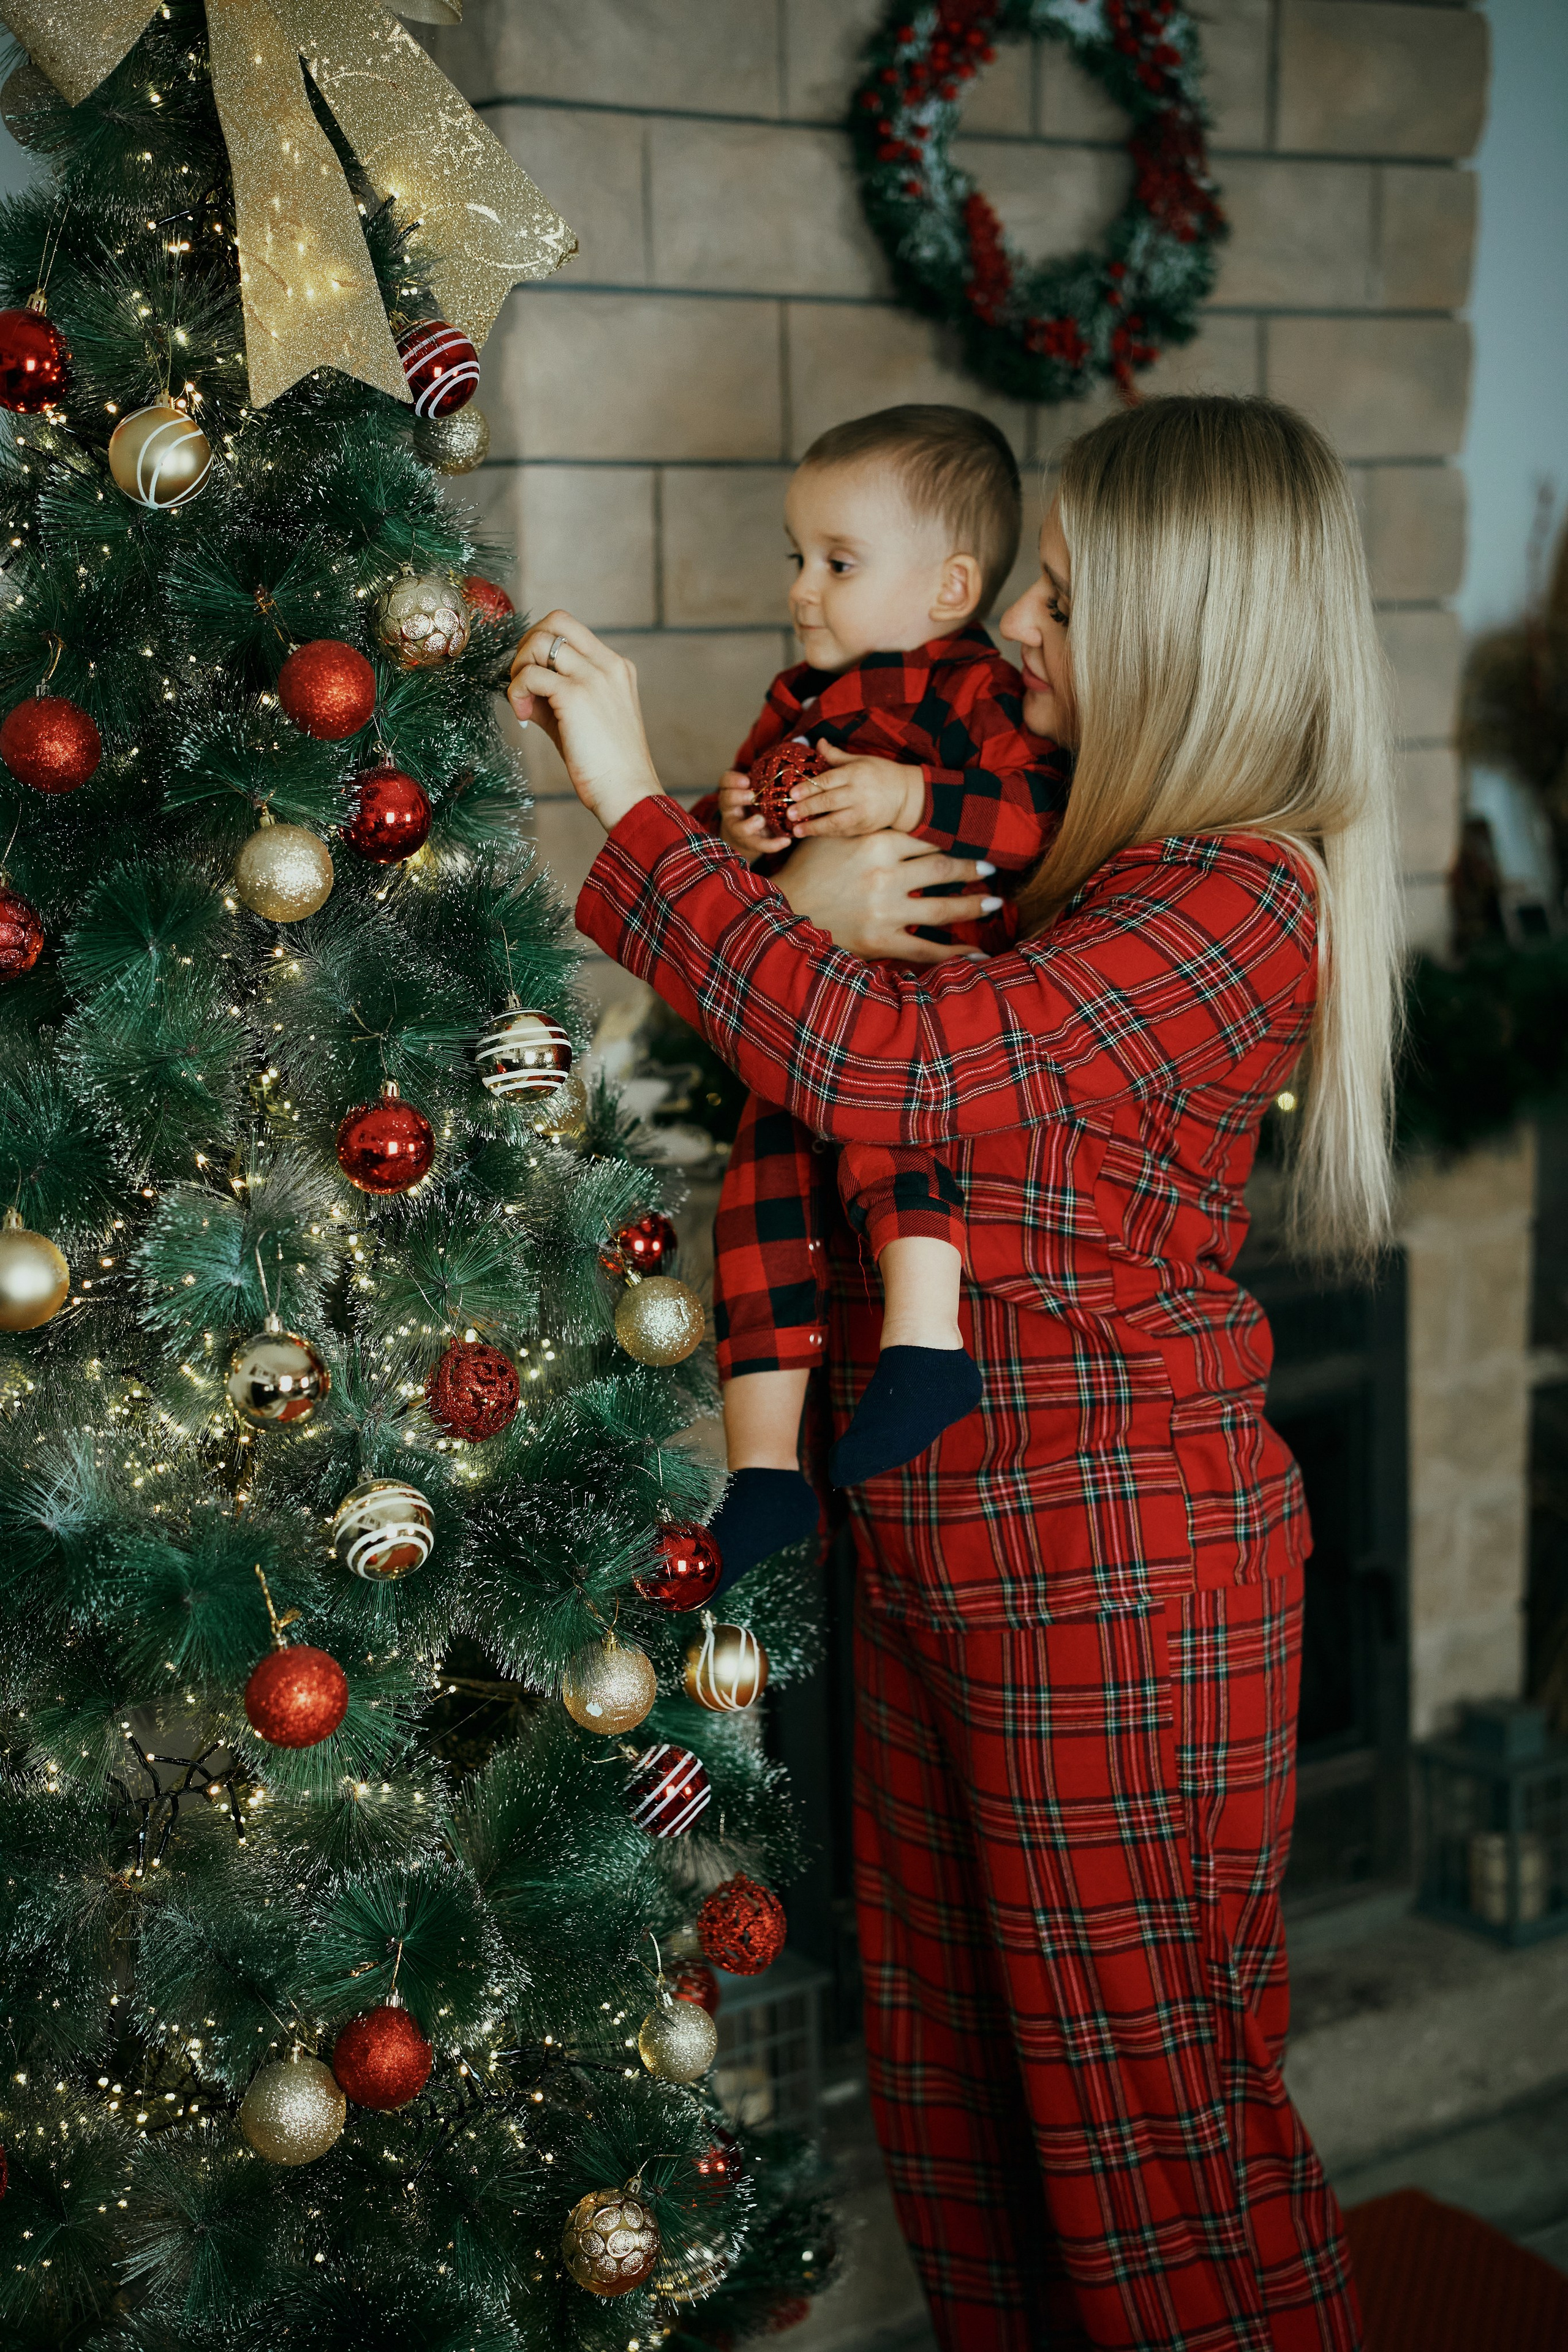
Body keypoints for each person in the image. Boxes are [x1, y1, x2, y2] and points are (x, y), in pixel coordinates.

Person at [510, 393, 1396, 2352]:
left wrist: (634, 805)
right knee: (959, 2109)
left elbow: (889, 1068)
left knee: (1155, 2151)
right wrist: (790, 895)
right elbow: (844, 1019)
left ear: (1189, 635)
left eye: (1063, 605)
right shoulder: (1066, 855)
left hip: (1116, 1574)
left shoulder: (1237, 894)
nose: (1013, 640)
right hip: (938, 1548)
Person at [689, 404, 1072, 1585]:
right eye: (799, 559)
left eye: (839, 564)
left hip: (913, 1006)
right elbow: (728, 856)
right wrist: (737, 824)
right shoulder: (795, 699)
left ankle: (924, 1339)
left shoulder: (973, 691)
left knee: (888, 1136)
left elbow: (1041, 820)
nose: (805, 590)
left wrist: (914, 798)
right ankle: (761, 1471)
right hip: (803, 1012)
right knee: (755, 1209)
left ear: (950, 585)